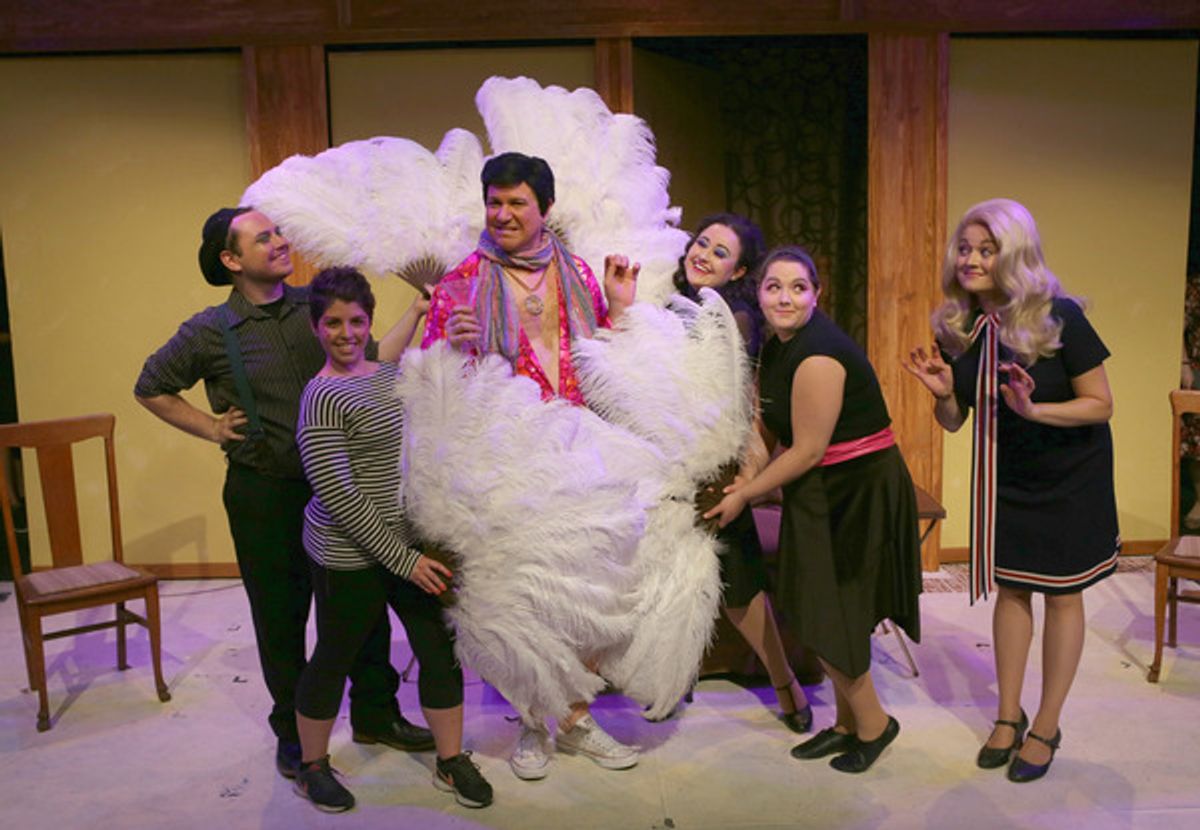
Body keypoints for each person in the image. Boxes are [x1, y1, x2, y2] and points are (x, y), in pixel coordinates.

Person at [134, 207, 434, 779]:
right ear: (231, 260)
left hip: (338, 491)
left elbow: (369, 360)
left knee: (361, 605)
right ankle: (295, 731)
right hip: (266, 493)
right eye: (263, 237)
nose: (279, 242)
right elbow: (150, 386)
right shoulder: (210, 330)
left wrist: (416, 313)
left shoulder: (313, 307)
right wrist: (211, 426)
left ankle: (376, 712)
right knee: (281, 615)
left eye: (278, 232)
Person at [421, 151, 639, 780]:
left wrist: (619, 310)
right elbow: (437, 387)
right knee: (520, 594)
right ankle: (539, 724)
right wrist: (454, 342)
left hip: (577, 442)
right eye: (494, 201)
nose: (503, 213)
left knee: (581, 586)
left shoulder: (576, 273)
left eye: (517, 202)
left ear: (544, 208)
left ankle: (566, 715)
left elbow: (607, 365)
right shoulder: (463, 279)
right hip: (506, 452)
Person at [904, 198, 1118, 783]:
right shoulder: (960, 327)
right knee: (1014, 590)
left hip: (1071, 478)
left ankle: (1046, 724)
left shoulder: (1060, 316)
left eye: (986, 249)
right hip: (1011, 478)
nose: (970, 259)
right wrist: (945, 391)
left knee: (1064, 595)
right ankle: (1007, 716)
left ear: (1014, 255)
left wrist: (1034, 408)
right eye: (965, 248)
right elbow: (954, 420)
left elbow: (1101, 404)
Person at [706, 245, 921, 774]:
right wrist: (746, 474)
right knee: (817, 604)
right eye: (773, 286)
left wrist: (744, 495)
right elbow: (770, 428)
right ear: (758, 294)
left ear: (816, 294)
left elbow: (806, 449)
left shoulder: (818, 353)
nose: (785, 296)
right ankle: (847, 724)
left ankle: (873, 725)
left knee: (833, 611)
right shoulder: (778, 346)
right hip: (820, 490)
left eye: (798, 287)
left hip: (855, 490)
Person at [291, 267, 491, 812]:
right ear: (315, 328)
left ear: (369, 322)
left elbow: (421, 384)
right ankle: (311, 768)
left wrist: (444, 337)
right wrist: (405, 561)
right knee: (335, 657)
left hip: (405, 545)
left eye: (357, 321)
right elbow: (342, 498)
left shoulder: (382, 373)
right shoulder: (320, 399)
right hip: (347, 553)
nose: (346, 333)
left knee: (438, 650)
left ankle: (451, 760)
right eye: (333, 323)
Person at [673, 213, 811, 732]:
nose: (703, 254)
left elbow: (734, 403)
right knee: (668, 579)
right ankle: (670, 678)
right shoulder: (669, 305)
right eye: (701, 243)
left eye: (720, 252)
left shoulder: (736, 319)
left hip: (711, 465)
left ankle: (785, 683)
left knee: (739, 584)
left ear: (738, 272)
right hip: (661, 465)